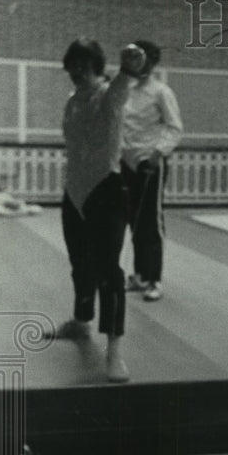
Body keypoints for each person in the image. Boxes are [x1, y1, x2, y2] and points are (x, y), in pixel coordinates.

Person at [48, 37, 146, 383]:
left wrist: (132, 63)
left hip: (106, 192)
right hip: (74, 194)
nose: (77, 71)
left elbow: (125, 80)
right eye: (73, 65)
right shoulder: (72, 100)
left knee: (109, 272)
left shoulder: (110, 95)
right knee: (79, 264)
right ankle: (81, 321)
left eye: (84, 65)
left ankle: (114, 351)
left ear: (96, 67)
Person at [121, 39, 183, 302]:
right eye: (130, 58)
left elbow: (174, 127)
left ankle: (154, 279)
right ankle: (140, 275)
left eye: (139, 58)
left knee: (151, 223)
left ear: (151, 61)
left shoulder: (161, 91)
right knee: (134, 220)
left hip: (150, 163)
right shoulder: (125, 90)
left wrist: (158, 154)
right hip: (127, 162)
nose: (134, 63)